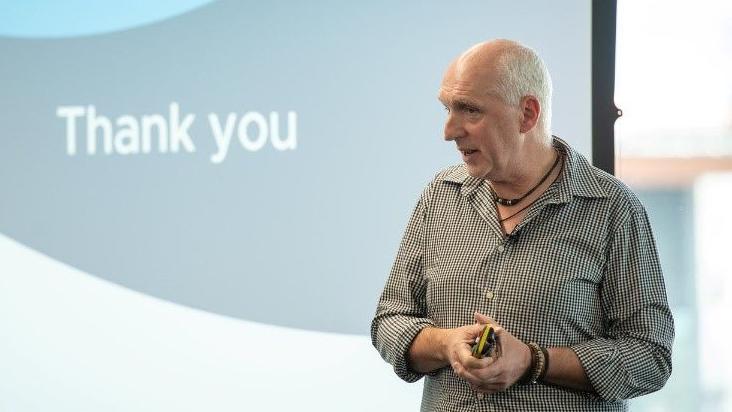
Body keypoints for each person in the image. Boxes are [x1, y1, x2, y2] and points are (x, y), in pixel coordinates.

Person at [370, 39, 674, 411]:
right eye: (448, 109)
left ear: (527, 114)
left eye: (469, 110)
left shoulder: (612, 209)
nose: (449, 131)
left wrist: (534, 361)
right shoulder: (440, 196)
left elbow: (650, 356)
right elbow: (390, 320)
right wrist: (445, 343)